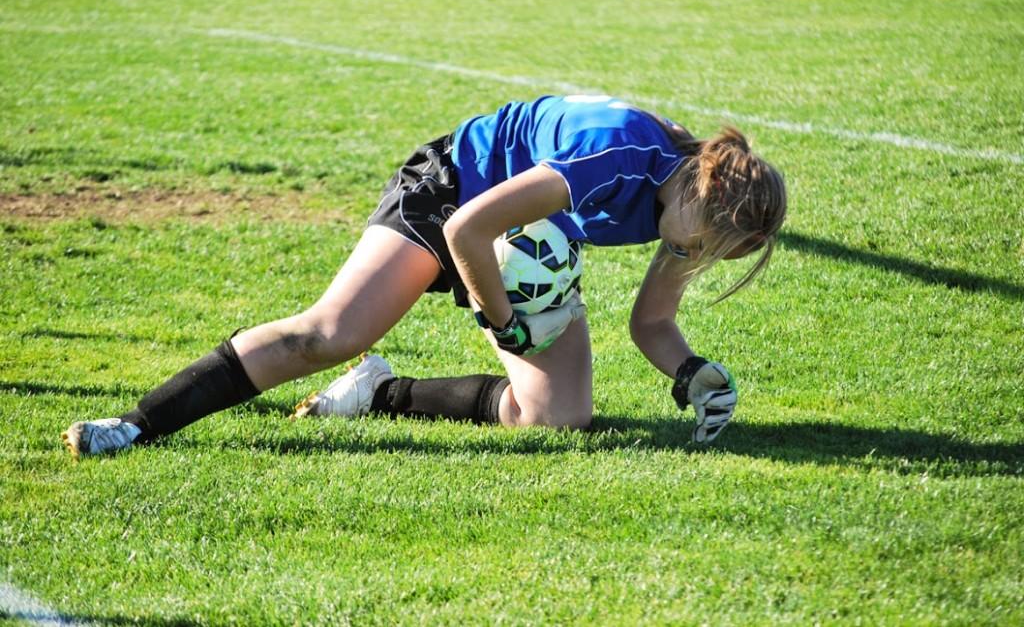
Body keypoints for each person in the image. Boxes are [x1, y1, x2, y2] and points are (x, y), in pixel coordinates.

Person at [61, 94, 787, 458]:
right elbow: (465, 228)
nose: (701, 258)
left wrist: (694, 372)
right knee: (326, 334)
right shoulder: (614, 157)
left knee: (557, 417)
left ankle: (382, 392)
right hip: (451, 191)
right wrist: (503, 318)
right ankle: (132, 424)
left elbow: (651, 322)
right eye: (710, 244)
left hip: (523, 240)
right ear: (705, 190)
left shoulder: (687, 210)